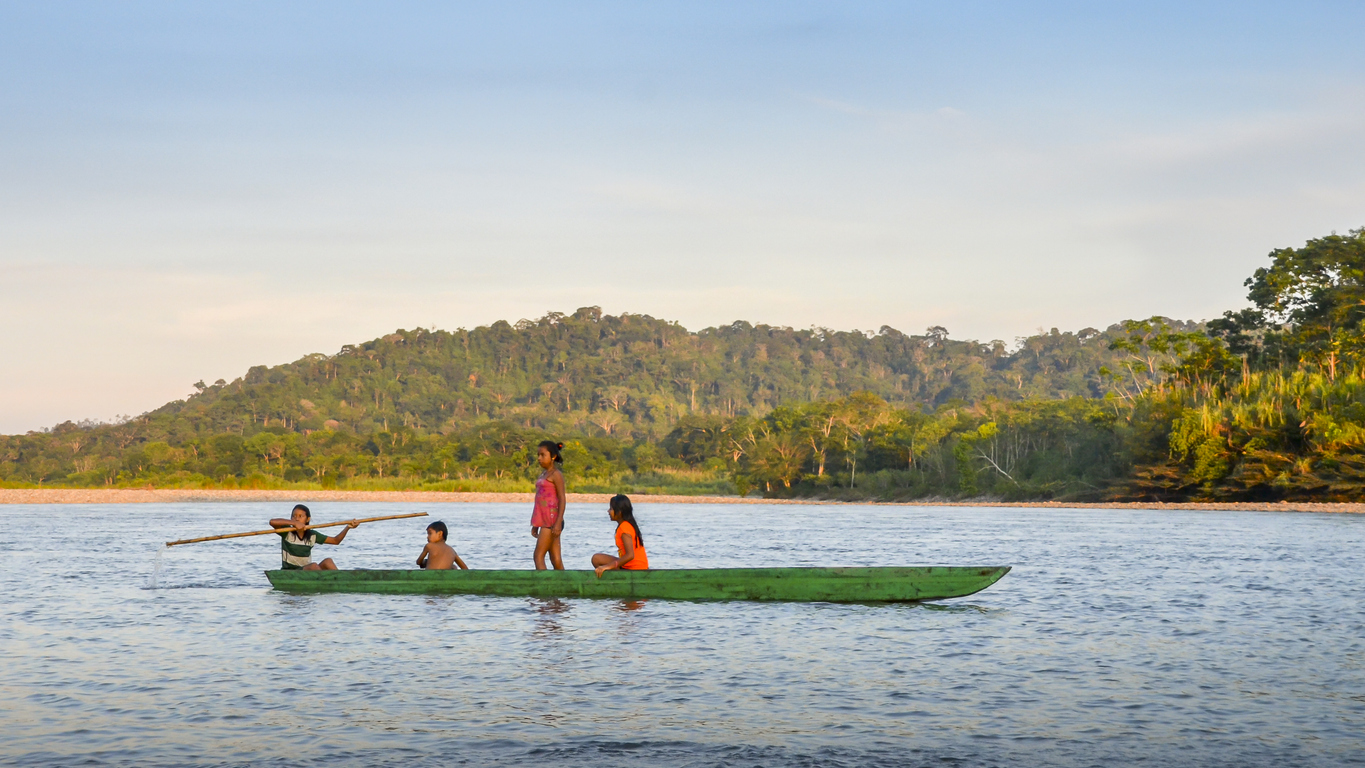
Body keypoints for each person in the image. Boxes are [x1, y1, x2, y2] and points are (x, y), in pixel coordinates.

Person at [268, 504, 358, 570]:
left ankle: (341, 580)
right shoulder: (286, 532)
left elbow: (335, 541)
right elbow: (272, 522)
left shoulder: (312, 535)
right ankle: (325, 582)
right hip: (291, 571)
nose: (297, 518)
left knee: (328, 561)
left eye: (300, 516)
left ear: (307, 519)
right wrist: (293, 523)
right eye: (294, 516)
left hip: (307, 570)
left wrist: (348, 527)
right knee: (314, 566)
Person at [531, 440, 568, 570]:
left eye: (542, 455)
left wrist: (558, 522)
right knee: (555, 558)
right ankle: (565, 585)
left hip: (552, 521)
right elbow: (539, 500)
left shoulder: (556, 475)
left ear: (552, 457)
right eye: (538, 455)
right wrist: (536, 524)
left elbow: (562, 499)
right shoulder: (543, 474)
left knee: (538, 556)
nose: (539, 458)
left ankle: (545, 586)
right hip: (545, 521)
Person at [592, 494, 649, 577]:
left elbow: (630, 555)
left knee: (596, 559)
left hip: (634, 568)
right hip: (632, 566)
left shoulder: (624, 528)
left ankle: (616, 582)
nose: (608, 511)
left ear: (619, 513)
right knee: (596, 558)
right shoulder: (626, 525)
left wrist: (608, 566)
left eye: (611, 509)